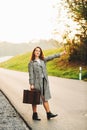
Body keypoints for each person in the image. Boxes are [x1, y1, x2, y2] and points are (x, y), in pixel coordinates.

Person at [28, 46, 66, 121]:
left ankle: (48, 113)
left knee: (45, 98)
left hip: (44, 82)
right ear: (34, 52)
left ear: (40, 52)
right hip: (36, 83)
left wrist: (61, 53)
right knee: (35, 99)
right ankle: (35, 114)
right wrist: (31, 84)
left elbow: (52, 56)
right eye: (36, 51)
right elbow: (31, 74)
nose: (38, 52)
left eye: (39, 51)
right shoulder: (31, 63)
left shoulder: (43, 60)